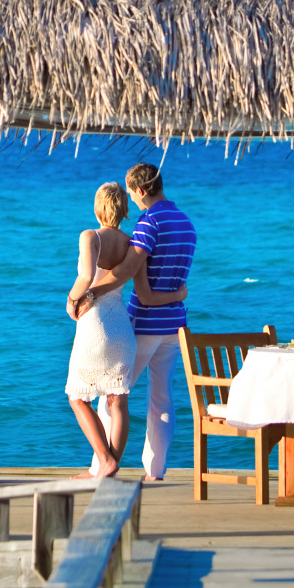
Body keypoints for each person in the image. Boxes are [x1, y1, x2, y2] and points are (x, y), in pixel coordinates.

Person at [75, 162, 197, 482]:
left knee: (112, 395)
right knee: (162, 397)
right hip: (175, 325)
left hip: (144, 324)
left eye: (131, 193)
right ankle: (155, 472)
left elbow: (130, 273)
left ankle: (100, 466)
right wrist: (178, 295)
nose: (132, 199)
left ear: (140, 191)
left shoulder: (148, 223)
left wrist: (89, 294)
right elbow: (173, 282)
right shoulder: (186, 223)